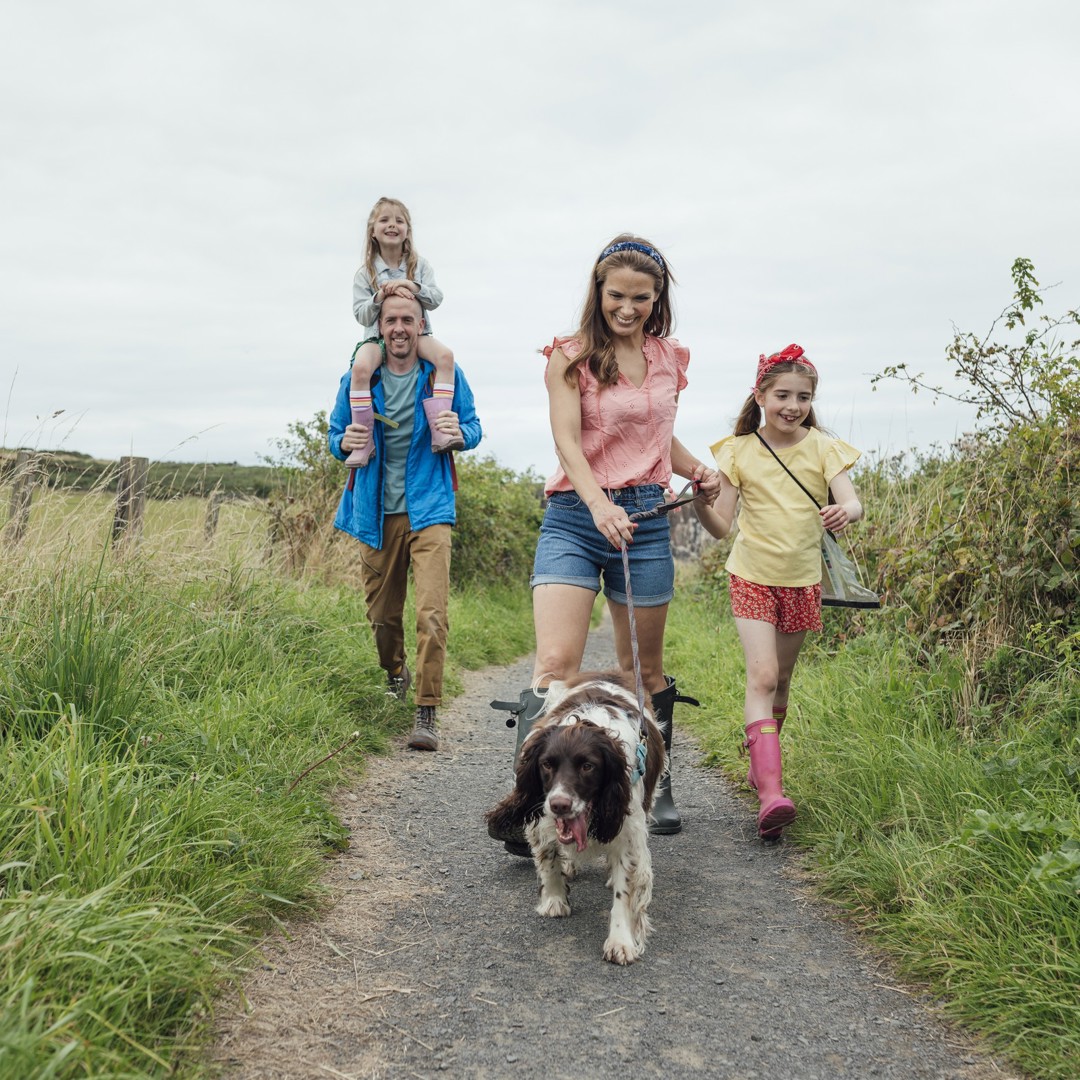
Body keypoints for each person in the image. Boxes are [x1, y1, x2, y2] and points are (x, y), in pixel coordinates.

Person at [489, 233, 721, 853]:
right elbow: (569, 439)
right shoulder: (570, 355)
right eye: (616, 295)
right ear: (598, 291)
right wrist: (597, 504)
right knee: (555, 666)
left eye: (641, 298)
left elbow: (656, 435)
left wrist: (697, 468)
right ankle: (531, 808)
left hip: (644, 517)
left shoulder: (670, 357)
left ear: (657, 297)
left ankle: (653, 783)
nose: (627, 307)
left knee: (639, 671)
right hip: (574, 513)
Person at [693, 343, 863, 842]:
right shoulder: (738, 451)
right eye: (783, 395)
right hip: (750, 575)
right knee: (763, 676)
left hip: (803, 581)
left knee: (783, 681)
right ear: (761, 395)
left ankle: (760, 766)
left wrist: (843, 512)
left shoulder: (824, 447)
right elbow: (721, 527)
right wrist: (703, 504)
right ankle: (771, 793)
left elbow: (854, 503)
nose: (793, 405)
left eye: (803, 397)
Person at [328, 293, 482, 751]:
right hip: (374, 512)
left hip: (430, 508)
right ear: (380, 326)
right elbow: (336, 435)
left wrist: (460, 434)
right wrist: (344, 442)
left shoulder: (440, 377)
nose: (399, 328)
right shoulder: (360, 379)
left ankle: (426, 711)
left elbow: (472, 427)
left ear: (421, 327)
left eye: (408, 320)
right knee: (381, 618)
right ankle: (396, 671)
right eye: (391, 320)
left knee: (432, 615)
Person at [345, 196, 462, 467]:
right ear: (372, 231)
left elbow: (436, 298)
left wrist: (412, 286)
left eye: (399, 220)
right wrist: (378, 296)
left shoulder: (420, 266)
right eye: (384, 220)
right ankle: (363, 443)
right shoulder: (365, 274)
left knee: (445, 357)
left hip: (417, 337)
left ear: (407, 230)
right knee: (360, 370)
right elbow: (359, 313)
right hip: (377, 338)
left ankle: (441, 428)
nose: (392, 225)